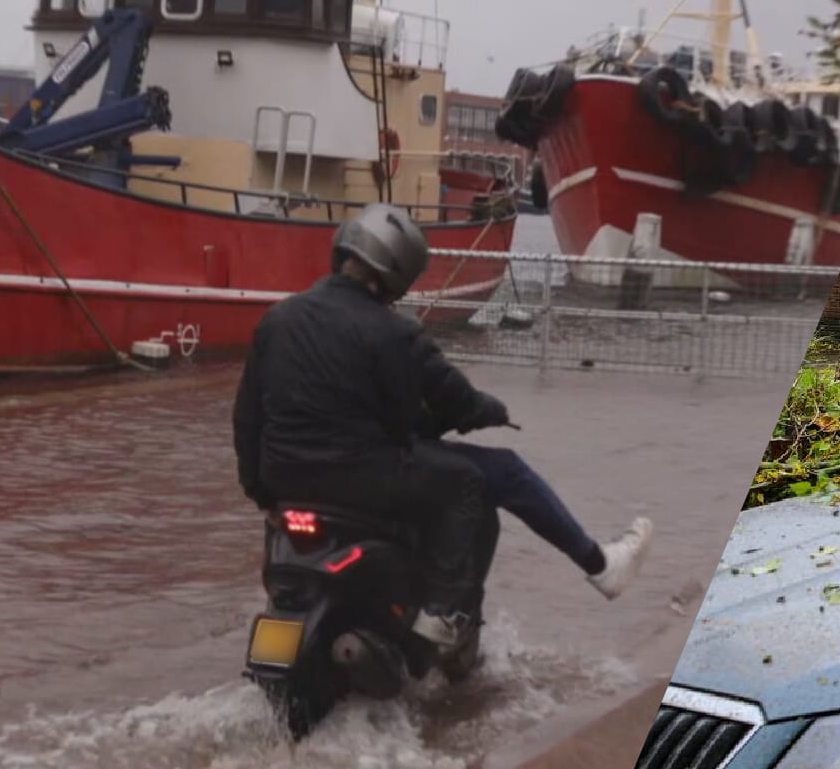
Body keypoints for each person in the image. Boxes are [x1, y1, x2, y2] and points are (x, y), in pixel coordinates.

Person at [233, 203, 653, 651]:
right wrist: (486, 409)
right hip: (363, 480)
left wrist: (261, 490)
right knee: (484, 476)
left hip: (285, 483)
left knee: (451, 475)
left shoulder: (277, 319)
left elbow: (246, 417)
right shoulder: (393, 332)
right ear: (399, 271)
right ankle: (451, 611)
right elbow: (415, 418)